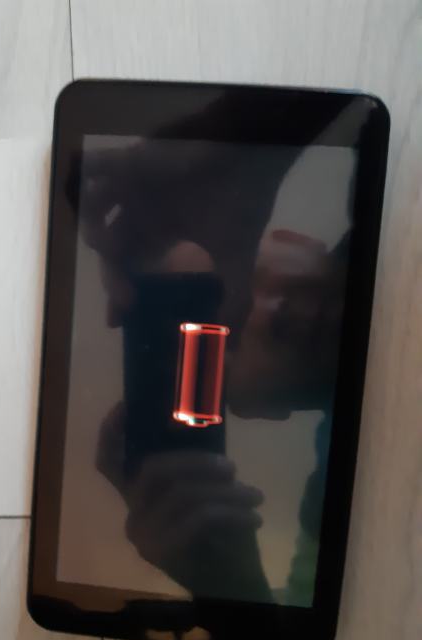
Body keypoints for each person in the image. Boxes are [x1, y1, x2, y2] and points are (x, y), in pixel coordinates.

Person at [75, 137, 349, 604]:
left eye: (249, 278)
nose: (266, 314)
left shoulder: (393, 204)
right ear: (257, 410)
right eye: (230, 342)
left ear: (293, 239)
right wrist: (231, 585)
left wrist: (245, 137)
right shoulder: (332, 496)